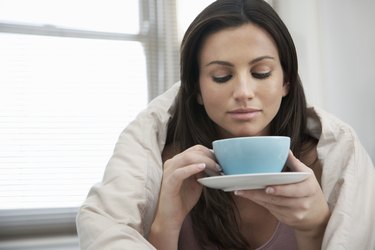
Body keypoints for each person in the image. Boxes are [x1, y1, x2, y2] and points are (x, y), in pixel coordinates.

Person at [76, 0, 375, 249]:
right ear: (196, 90)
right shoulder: (170, 168)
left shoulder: (324, 164)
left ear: (285, 81)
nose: (244, 92)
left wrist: (314, 227)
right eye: (221, 76)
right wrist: (167, 222)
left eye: (261, 72)